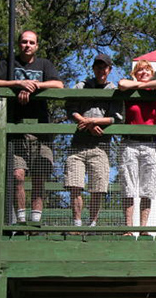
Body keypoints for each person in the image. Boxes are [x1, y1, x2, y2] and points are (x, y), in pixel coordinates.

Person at [0, 30, 64, 224]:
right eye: (24, 42)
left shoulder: (44, 64)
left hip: (41, 131)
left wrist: (35, 86)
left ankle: (35, 221)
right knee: (17, 175)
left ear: (37, 46)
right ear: (19, 44)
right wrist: (19, 83)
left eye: (31, 42)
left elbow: (59, 85)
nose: (27, 45)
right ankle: (21, 220)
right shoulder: (9, 64)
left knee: (39, 176)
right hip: (16, 130)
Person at [65, 53, 121, 232]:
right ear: (93, 69)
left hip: (101, 147)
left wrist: (93, 122)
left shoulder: (113, 89)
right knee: (75, 185)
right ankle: (77, 224)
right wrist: (86, 123)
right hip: (78, 146)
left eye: (104, 67)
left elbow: (116, 118)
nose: (101, 70)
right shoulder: (81, 86)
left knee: (98, 187)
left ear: (109, 70)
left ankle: (92, 224)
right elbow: (71, 109)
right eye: (98, 66)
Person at [118, 60, 156, 235]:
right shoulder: (128, 87)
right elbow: (122, 84)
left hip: (150, 144)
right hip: (129, 143)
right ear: (134, 73)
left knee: (148, 188)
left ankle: (143, 228)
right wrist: (138, 85)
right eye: (139, 70)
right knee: (128, 187)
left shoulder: (155, 89)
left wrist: (140, 85)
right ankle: (128, 228)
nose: (143, 72)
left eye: (147, 70)